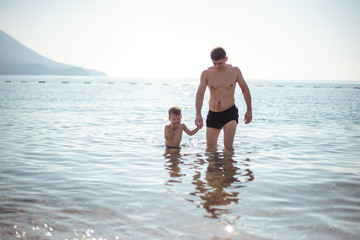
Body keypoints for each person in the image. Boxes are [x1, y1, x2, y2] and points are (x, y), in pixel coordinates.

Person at [195, 47, 252, 150]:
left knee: (228, 147)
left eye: (220, 63)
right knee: (210, 148)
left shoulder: (235, 71)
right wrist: (198, 114)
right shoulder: (206, 74)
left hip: (229, 112)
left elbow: (245, 90)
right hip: (213, 113)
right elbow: (200, 95)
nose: (217, 66)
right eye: (214, 63)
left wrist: (249, 110)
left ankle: (229, 165)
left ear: (226, 59)